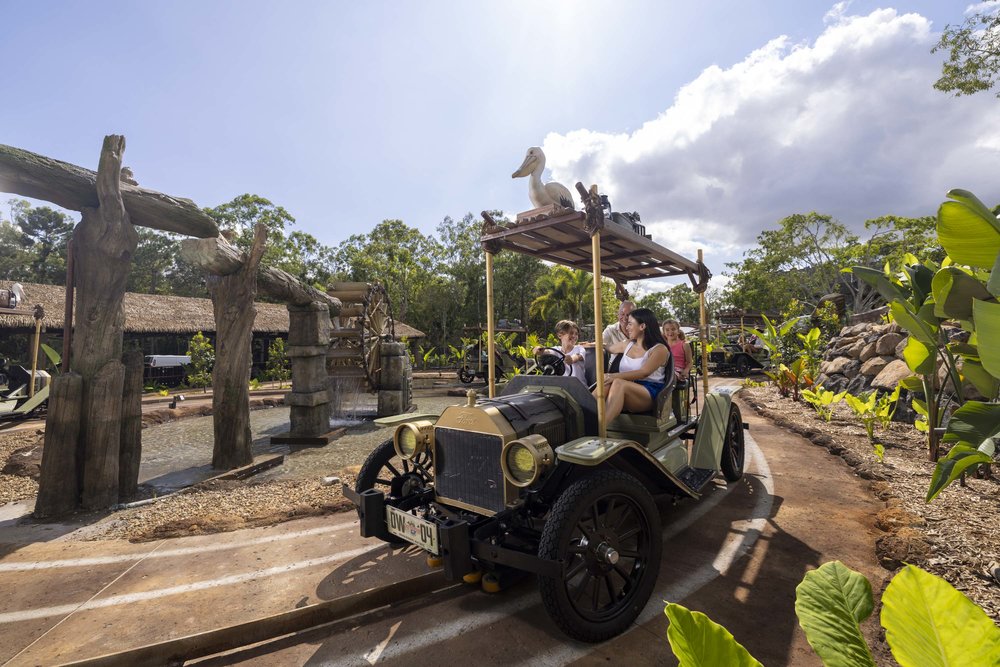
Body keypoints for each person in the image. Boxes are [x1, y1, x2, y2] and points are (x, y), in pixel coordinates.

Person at [594, 308, 669, 421]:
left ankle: (600, 427)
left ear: (642, 326)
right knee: (607, 383)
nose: (626, 327)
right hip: (626, 387)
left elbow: (644, 372)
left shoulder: (659, 349)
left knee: (617, 382)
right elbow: (608, 347)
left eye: (630, 324)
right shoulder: (627, 344)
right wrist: (591, 345)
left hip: (650, 392)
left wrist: (613, 376)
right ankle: (581, 416)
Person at [534, 320, 587, 385]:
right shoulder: (556, 350)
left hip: (578, 387)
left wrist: (571, 359)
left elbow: (577, 356)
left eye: (576, 334)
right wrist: (538, 350)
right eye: (571, 333)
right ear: (560, 335)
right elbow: (546, 351)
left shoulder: (579, 348)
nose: (574, 336)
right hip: (561, 389)